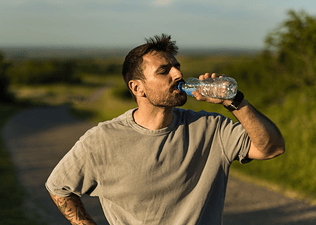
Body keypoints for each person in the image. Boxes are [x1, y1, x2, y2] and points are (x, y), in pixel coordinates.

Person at [45, 34, 285, 225]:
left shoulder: (211, 128)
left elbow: (272, 148)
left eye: (177, 67)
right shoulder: (102, 139)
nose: (178, 74)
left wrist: (234, 101)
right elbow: (58, 187)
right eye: (164, 71)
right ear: (137, 87)